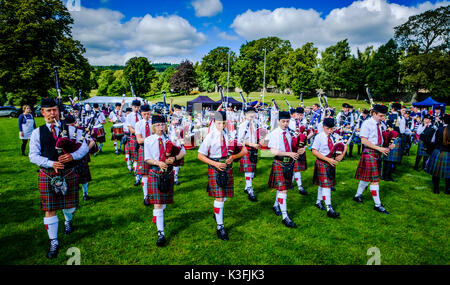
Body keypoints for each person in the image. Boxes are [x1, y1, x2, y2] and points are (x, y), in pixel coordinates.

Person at [29, 97, 89, 259]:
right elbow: (33, 156)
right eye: (48, 111)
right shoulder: (37, 132)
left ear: (58, 111)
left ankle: (68, 220)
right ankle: (53, 241)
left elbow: (84, 147)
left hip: (69, 173)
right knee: (50, 209)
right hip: (48, 174)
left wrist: (72, 156)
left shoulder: (70, 129)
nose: (52, 113)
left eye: (54, 110)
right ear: (42, 112)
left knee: (69, 207)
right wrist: (51, 163)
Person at [198, 111, 247, 241]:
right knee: (219, 198)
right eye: (219, 123)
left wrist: (233, 157)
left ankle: (216, 212)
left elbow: (244, 150)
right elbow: (200, 155)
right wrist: (214, 163)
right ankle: (220, 227)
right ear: (214, 123)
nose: (222, 125)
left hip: (227, 168)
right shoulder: (210, 136)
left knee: (223, 197)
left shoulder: (230, 136)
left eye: (224, 123)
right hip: (215, 167)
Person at [144, 114, 186, 246]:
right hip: (156, 172)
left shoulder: (172, 138)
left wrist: (174, 159)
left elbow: (183, 151)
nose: (160, 127)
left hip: (168, 173)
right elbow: (147, 158)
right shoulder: (148, 140)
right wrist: (158, 163)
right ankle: (161, 233)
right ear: (153, 126)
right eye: (157, 125)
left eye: (162, 125)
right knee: (158, 203)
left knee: (164, 203)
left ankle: (157, 214)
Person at [353, 104, 392, 214]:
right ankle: (377, 205)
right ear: (374, 113)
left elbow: (379, 138)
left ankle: (357, 195)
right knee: (375, 180)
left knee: (366, 178)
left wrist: (388, 145)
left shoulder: (379, 124)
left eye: (383, 116)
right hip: (369, 153)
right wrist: (379, 148)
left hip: (376, 153)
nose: (382, 118)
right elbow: (364, 141)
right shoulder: (367, 124)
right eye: (380, 116)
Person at [268, 111, 299, 227]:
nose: (286, 124)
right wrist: (289, 153)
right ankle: (285, 216)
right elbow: (272, 151)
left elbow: (291, 147)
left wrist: (298, 150)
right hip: (279, 162)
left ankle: (276, 205)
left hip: (288, 163)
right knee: (283, 190)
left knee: (282, 187)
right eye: (283, 121)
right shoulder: (275, 133)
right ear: (278, 121)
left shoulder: (289, 133)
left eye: (287, 121)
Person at [311, 118, 344, 218]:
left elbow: (341, 147)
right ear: (323, 127)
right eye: (328, 128)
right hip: (322, 162)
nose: (330, 130)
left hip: (331, 162)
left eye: (332, 128)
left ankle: (318, 202)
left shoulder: (334, 136)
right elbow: (314, 151)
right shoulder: (319, 137)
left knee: (323, 184)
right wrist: (328, 159)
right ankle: (329, 208)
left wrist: (341, 154)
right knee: (327, 185)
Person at [237, 107, 260, 201]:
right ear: (246, 115)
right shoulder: (243, 125)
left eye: (253, 113)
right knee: (248, 170)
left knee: (252, 171)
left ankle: (247, 187)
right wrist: (251, 144)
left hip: (254, 149)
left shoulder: (255, 124)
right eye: (250, 113)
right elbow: (240, 140)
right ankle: (250, 190)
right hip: (246, 149)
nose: (252, 115)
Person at [425, 114, 450, 194]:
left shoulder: (439, 129)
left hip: (439, 152)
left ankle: (436, 189)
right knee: (448, 173)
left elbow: (433, 141)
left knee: (436, 173)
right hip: (448, 153)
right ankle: (447, 190)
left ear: (443, 121)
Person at [135, 104, 153, 206]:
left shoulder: (154, 123)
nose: (147, 116)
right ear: (141, 114)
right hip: (144, 149)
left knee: (155, 171)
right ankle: (146, 196)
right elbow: (139, 140)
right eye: (144, 114)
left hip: (155, 150)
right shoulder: (138, 124)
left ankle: (155, 193)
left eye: (148, 113)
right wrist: (151, 139)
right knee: (145, 174)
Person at [126, 100, 143, 186]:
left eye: (138, 107)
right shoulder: (129, 116)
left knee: (142, 157)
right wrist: (139, 132)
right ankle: (137, 178)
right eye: (135, 107)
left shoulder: (141, 115)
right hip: (134, 137)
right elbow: (130, 129)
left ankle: (142, 174)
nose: (137, 109)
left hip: (142, 138)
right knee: (135, 158)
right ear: (132, 107)